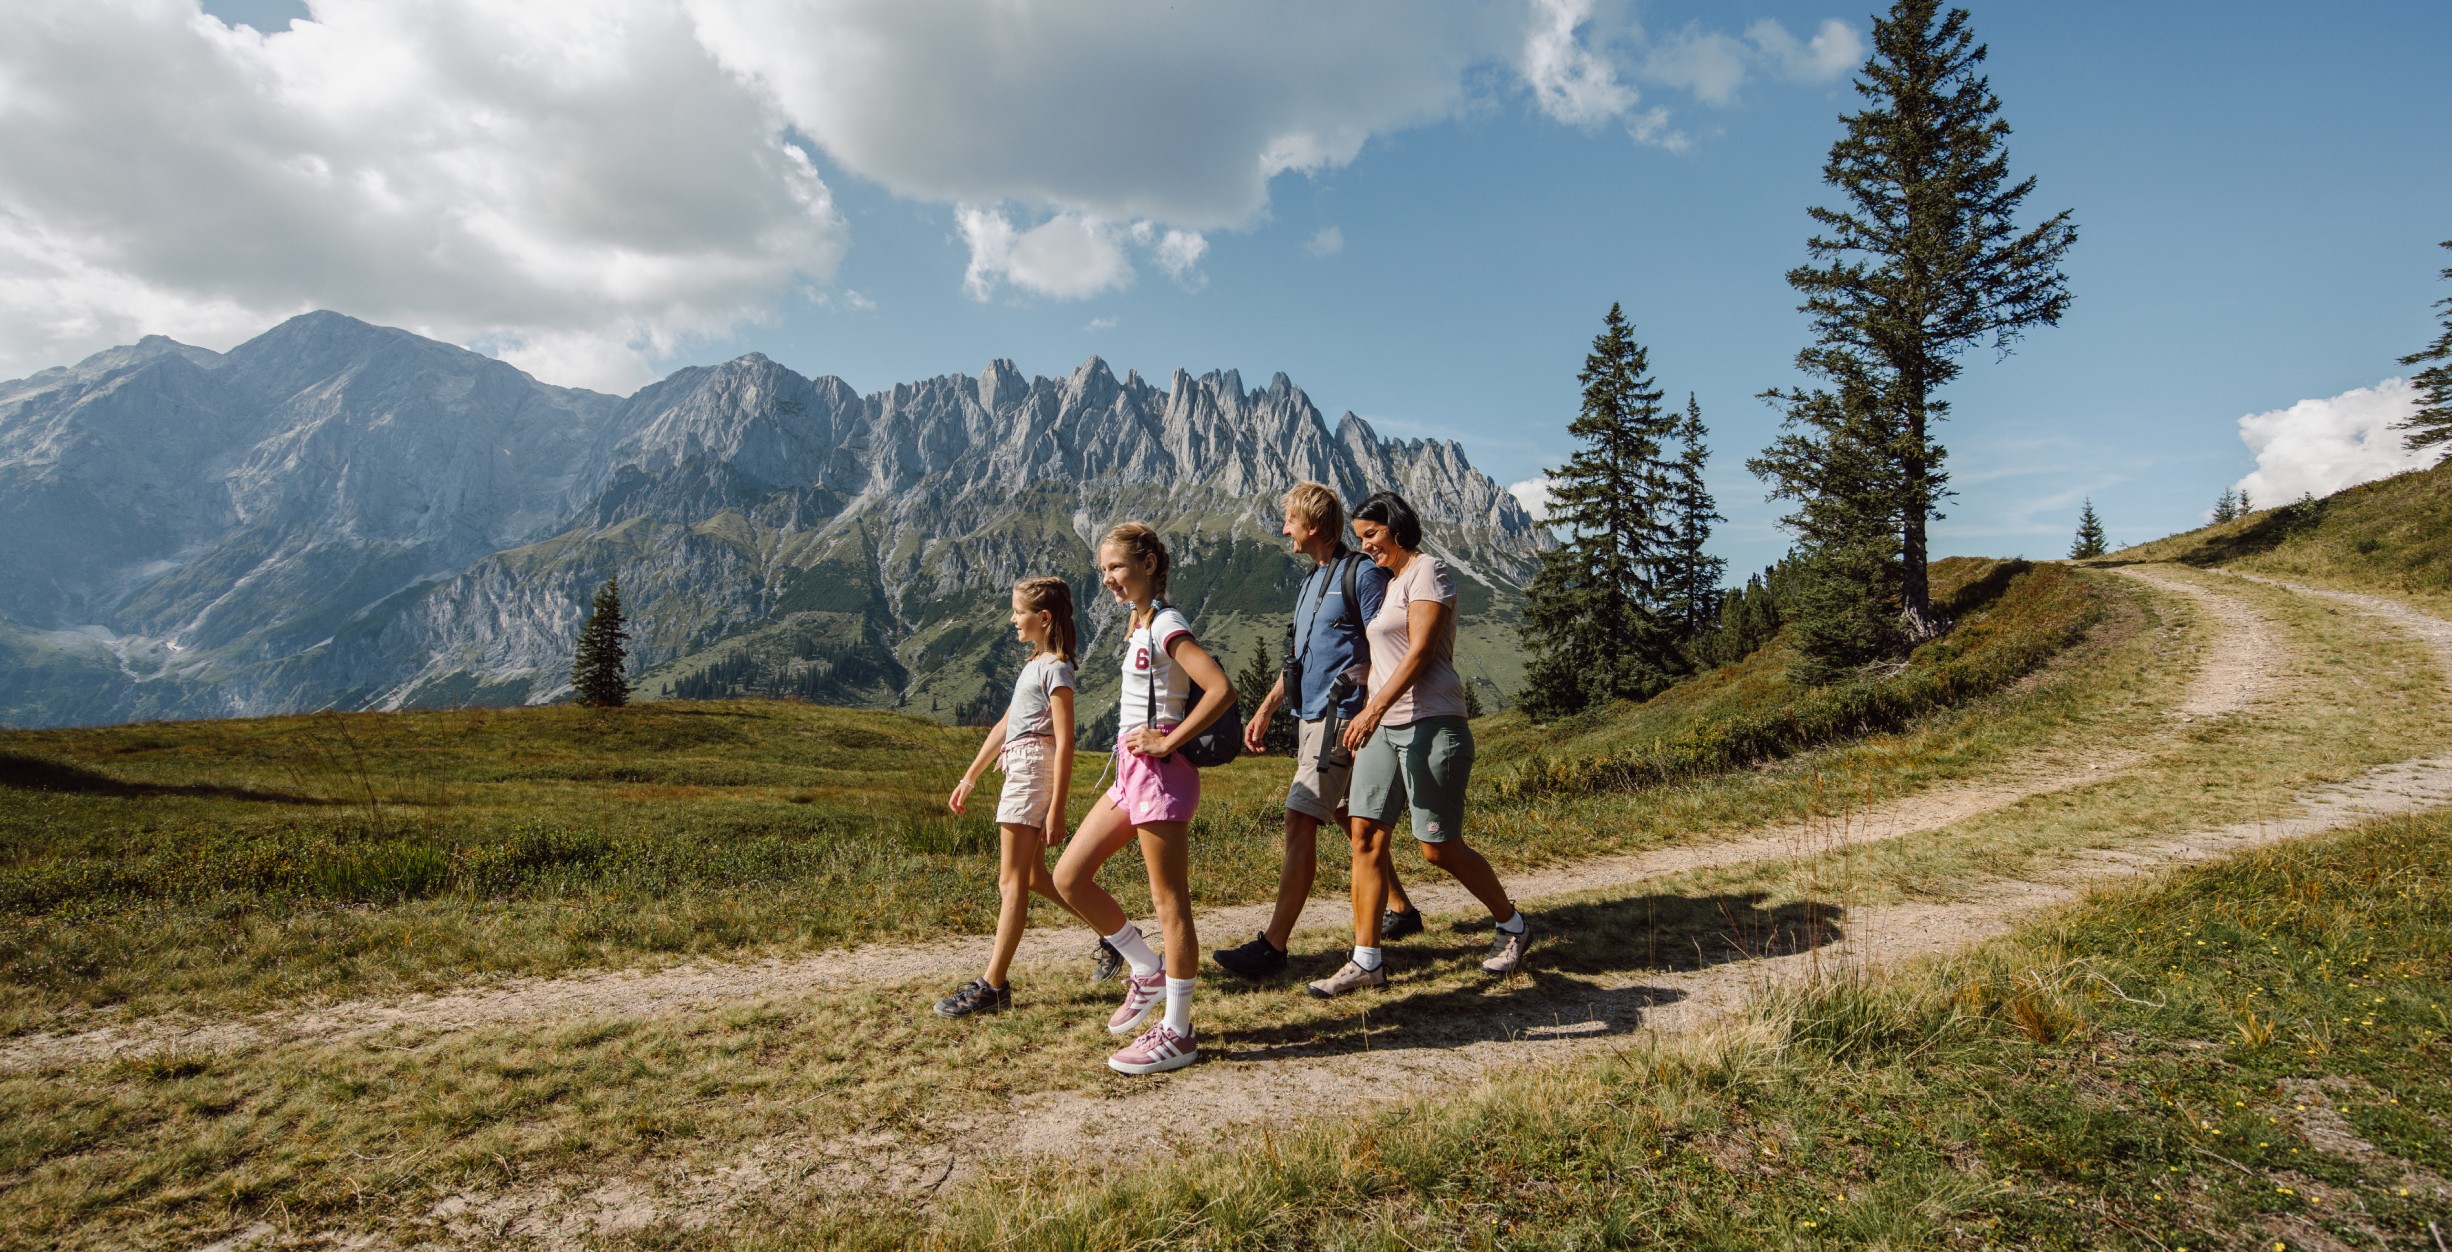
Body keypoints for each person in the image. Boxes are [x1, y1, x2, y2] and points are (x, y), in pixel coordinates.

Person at [1309, 491, 1531, 998]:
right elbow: (1384, 655)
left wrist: (1372, 709)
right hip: (1384, 727)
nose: (1365, 546)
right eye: (1360, 537)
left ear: (1398, 527)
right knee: (1364, 834)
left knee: (1438, 848)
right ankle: (1366, 960)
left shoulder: (1428, 572)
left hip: (1432, 721)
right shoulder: (1387, 586)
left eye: (1372, 535)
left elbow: (1421, 654)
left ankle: (1513, 924)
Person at [1214, 482, 1422, 980]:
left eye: (1289, 520)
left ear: (1312, 525)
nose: (1284, 528)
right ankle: (1402, 909)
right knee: (1349, 815)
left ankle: (1273, 945)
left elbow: (1390, 643)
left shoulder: (1363, 576)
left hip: (1342, 720)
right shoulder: (1312, 580)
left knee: (1300, 818)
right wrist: (1266, 707)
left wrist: (1371, 712)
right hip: (1309, 717)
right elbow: (1299, 658)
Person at [1051, 522, 1237, 1074]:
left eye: (1115, 567)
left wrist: (1170, 739)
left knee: (1169, 902)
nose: (1106, 578)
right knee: (1068, 877)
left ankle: (1178, 1032)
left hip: (1159, 772)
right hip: (1129, 772)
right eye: (1102, 569)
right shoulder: (1139, 622)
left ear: (1149, 564)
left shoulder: (1167, 623)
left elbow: (1222, 689)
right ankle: (1145, 968)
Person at [936, 576, 1091, 1017]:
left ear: (1043, 618)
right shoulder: (1035, 664)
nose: (1012, 619)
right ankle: (1115, 934)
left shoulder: (1056, 668)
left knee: (1010, 881)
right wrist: (970, 776)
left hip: (1032, 772)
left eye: (1018, 611)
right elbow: (1007, 723)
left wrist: (1058, 808)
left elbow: (1065, 742)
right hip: (1020, 769)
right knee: (1033, 878)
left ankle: (993, 985)